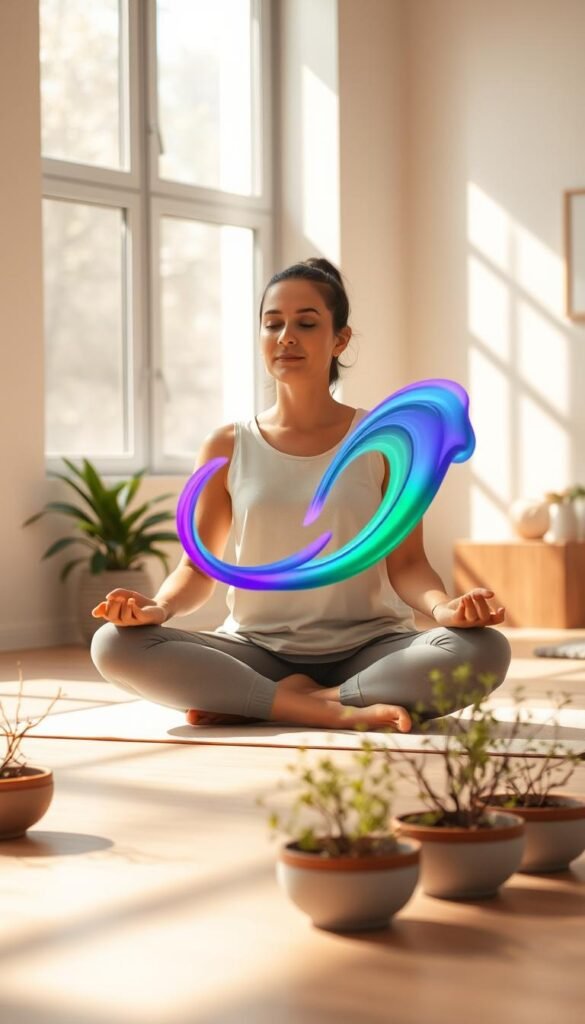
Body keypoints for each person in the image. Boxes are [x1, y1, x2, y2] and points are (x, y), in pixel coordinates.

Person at [90, 257, 511, 734]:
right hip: (258, 650)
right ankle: (320, 709)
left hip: (371, 650)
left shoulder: (388, 442)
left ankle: (281, 701)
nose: (286, 336)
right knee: (113, 644)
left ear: (339, 339)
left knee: (485, 649)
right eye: (273, 324)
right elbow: (196, 567)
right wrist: (158, 609)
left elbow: (409, 565)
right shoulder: (227, 445)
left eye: (306, 323)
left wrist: (444, 609)